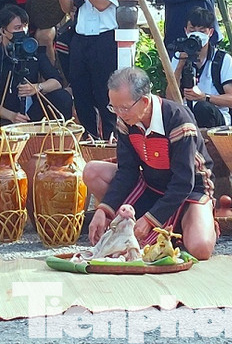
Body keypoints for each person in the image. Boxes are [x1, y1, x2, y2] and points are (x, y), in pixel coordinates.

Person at [83, 67, 216, 261]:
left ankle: (186, 224)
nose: (119, 114)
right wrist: (104, 209)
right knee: (92, 170)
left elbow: (183, 182)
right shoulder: (126, 121)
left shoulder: (178, 119)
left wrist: (150, 219)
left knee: (200, 248)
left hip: (190, 190)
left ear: (144, 101)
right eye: (114, 108)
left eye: (124, 108)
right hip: (151, 185)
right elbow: (127, 171)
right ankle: (123, 224)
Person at [56, 0, 120, 139]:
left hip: (105, 39)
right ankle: (89, 135)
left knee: (105, 91)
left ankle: (110, 136)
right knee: (81, 90)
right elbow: (67, 8)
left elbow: (101, 4)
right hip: (81, 39)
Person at [0, 6, 73, 125]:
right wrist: (12, 116)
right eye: (17, 28)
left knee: (62, 97)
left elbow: (57, 81)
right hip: (5, 112)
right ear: (3, 31)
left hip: (31, 112)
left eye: (25, 26)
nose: (23, 31)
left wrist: (37, 87)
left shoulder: (34, 51)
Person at [173, 7, 232, 128]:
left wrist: (204, 97)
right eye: (192, 30)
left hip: (215, 116)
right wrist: (180, 66)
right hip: (186, 116)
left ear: (210, 32)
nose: (196, 34)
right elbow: (170, 96)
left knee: (202, 108)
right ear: (185, 31)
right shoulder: (178, 57)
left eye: (202, 31)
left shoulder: (222, 59)